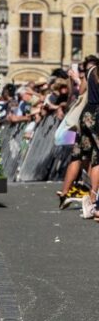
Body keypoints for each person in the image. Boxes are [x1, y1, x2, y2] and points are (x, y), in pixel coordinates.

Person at [71, 56, 99, 216]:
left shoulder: (91, 71)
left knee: (95, 158)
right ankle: (94, 201)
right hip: (98, 114)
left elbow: (81, 91)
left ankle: (92, 200)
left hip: (88, 113)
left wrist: (76, 79)